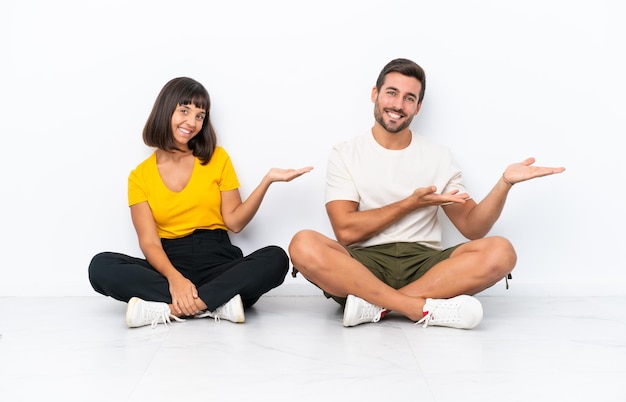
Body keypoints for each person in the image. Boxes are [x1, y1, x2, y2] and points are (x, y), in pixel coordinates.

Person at [288, 58, 565, 329]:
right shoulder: (346, 153)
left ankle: (376, 306)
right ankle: (415, 307)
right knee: (303, 243)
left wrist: (505, 183)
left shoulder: (438, 157)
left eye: (409, 98)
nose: (398, 105)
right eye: (392, 93)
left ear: (418, 107)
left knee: (501, 251)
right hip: (363, 267)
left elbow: (473, 227)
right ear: (375, 94)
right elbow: (346, 232)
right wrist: (409, 204)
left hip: (426, 265)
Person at [89, 77, 312, 328]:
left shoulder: (217, 157)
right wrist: (175, 279)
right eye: (184, 111)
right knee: (101, 266)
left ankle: (172, 308)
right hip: (170, 262)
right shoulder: (139, 176)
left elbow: (235, 223)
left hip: (218, 261)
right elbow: (149, 242)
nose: (192, 122)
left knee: (276, 258)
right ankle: (217, 301)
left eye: (200, 115)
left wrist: (267, 180)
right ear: (166, 110)